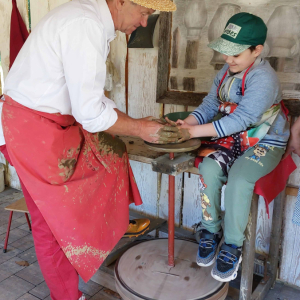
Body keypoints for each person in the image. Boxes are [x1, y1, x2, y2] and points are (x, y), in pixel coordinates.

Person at [0, 0, 178, 299]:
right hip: (31, 130)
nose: (145, 23)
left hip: (45, 123)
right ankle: (67, 295)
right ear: (121, 1)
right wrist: (141, 129)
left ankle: (108, 225)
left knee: (112, 152)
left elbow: (88, 99)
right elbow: (91, 114)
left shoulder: (89, 19)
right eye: (145, 13)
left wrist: (134, 123)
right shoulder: (86, 24)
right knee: (51, 225)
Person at [173, 12, 290, 282]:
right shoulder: (225, 72)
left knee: (239, 178)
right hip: (234, 138)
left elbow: (242, 119)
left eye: (235, 54)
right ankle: (211, 230)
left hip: (266, 141)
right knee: (210, 167)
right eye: (226, 52)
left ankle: (233, 245)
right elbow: (210, 107)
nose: (228, 59)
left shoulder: (264, 77)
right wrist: (185, 125)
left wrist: (194, 132)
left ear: (257, 50)